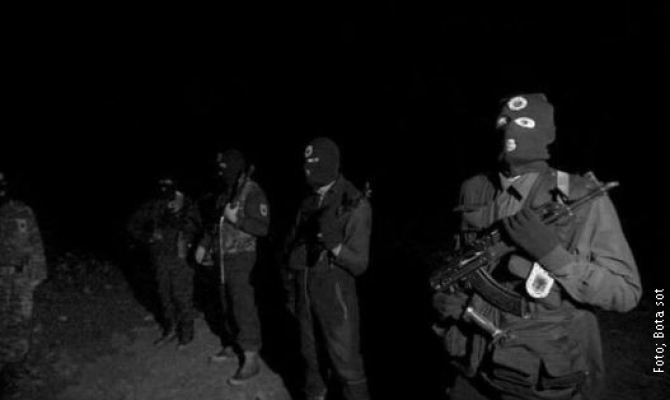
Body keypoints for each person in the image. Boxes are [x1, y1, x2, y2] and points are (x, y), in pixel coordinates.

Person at [432, 93, 642, 399]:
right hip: (470, 361)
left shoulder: (580, 196)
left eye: (525, 123)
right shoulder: (474, 189)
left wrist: (554, 256)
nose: (510, 131)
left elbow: (625, 292)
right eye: (503, 121)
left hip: (537, 376)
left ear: (547, 133)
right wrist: (447, 297)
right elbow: (464, 257)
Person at [284, 137, 372, 400]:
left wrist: (334, 245)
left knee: (346, 363)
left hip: (335, 294)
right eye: (305, 164)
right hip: (304, 290)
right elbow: (294, 243)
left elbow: (359, 264)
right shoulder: (309, 199)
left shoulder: (354, 203)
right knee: (311, 357)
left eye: (314, 164)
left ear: (330, 164)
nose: (307, 170)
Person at [194, 149, 269, 385]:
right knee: (224, 305)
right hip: (222, 258)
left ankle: (250, 357)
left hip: (242, 257)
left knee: (242, 307)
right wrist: (203, 245)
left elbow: (262, 227)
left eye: (224, 167)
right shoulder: (226, 193)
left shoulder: (252, 191)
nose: (220, 171)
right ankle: (231, 344)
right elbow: (214, 224)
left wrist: (237, 219)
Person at [127, 175, 201, 349]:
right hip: (159, 257)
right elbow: (132, 225)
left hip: (180, 256)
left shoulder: (187, 204)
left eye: (169, 185)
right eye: (162, 185)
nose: (165, 189)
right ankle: (171, 329)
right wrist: (148, 236)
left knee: (182, 296)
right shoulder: (153, 205)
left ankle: (186, 334)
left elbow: (196, 226)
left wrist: (181, 222)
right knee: (165, 296)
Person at [0, 171, 47, 382]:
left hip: (20, 277)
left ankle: (15, 366)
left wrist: (38, 273)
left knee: (19, 321)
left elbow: (35, 242)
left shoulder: (21, 210)